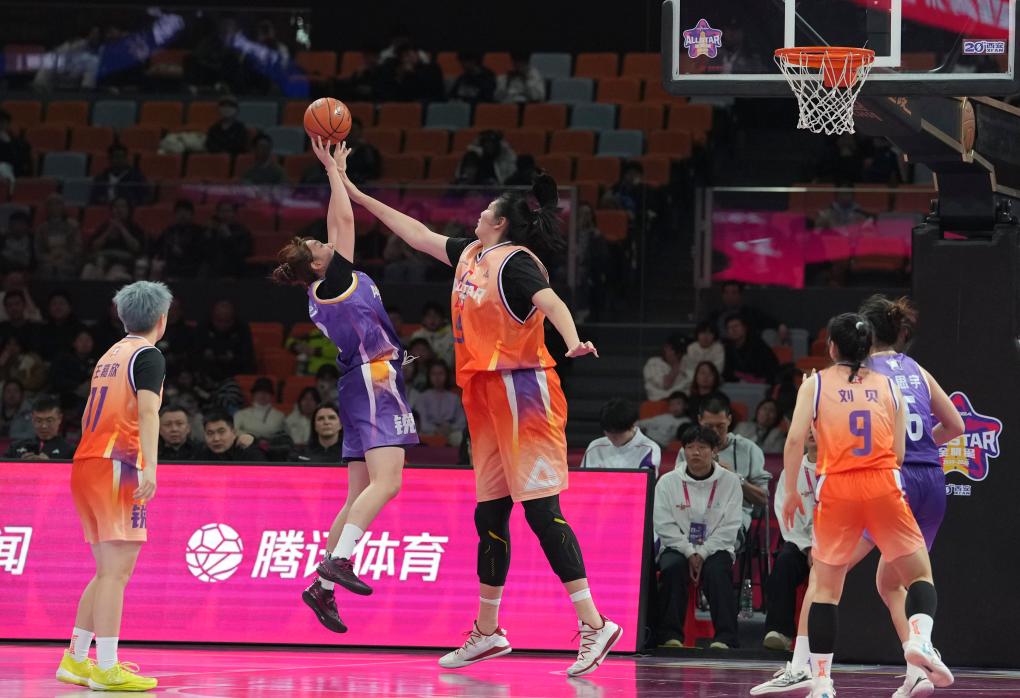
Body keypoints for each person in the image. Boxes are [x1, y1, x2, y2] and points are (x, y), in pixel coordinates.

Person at [341, 164, 620, 677]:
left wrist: (573, 339)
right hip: (485, 395)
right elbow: (417, 234)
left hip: (525, 391)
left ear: (501, 222)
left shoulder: (514, 262)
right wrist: (357, 193)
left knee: (541, 512)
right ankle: (488, 633)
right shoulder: (472, 254)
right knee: (489, 516)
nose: (478, 212)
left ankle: (595, 624)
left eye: (487, 209)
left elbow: (550, 301)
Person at [754, 298, 965, 698]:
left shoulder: (833, 380)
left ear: (836, 345)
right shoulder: (910, 372)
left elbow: (799, 439)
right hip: (921, 479)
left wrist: (795, 487)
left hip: (862, 483)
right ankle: (918, 660)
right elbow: (952, 426)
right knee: (897, 582)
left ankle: (807, 671)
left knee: (823, 581)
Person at [271, 137, 418, 635]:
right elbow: (345, 222)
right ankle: (339, 561)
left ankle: (322, 587)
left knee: (358, 493)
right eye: (319, 246)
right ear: (317, 264)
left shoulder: (328, 282)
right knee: (389, 482)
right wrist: (335, 172)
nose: (327, 242)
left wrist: (333, 170)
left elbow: (338, 226)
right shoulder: (335, 281)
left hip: (358, 383)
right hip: (375, 378)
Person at [58, 281, 171, 691]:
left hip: (87, 463)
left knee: (106, 571)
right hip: (117, 464)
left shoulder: (110, 354)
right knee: (116, 573)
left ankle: (75, 659)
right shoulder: (148, 355)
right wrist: (150, 467)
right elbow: (148, 413)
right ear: (162, 319)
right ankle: (106, 667)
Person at [653, 425, 743, 649]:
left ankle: (726, 638)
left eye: (702, 447)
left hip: (716, 547)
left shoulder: (730, 482)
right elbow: (664, 525)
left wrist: (702, 553)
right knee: (672, 568)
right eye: (690, 447)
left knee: (717, 571)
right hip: (677, 546)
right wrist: (688, 551)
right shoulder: (667, 482)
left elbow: (730, 526)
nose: (695, 452)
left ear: (714, 451)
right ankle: (669, 636)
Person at [675, 397, 771, 536]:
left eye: (720, 426)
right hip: (694, 515)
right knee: (678, 535)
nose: (715, 432)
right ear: (700, 420)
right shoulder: (688, 451)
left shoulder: (749, 449)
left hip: (732, 517)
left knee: (712, 539)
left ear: (729, 420)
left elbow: (763, 499)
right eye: (709, 426)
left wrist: (736, 479)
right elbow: (676, 492)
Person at [760, 432, 818, 656]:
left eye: (817, 427)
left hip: (834, 541)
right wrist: (808, 547)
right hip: (801, 542)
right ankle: (780, 632)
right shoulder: (792, 470)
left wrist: (821, 544)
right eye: (808, 428)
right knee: (784, 563)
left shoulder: (840, 467)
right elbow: (786, 515)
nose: (811, 432)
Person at [581, 398, 660, 472]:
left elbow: (646, 481)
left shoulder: (649, 449)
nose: (613, 437)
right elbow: (584, 479)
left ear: (633, 425)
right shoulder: (594, 447)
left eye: (618, 433)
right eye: (608, 432)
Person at [85, 197, 146, 279]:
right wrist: (109, 230)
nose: (119, 209)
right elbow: (94, 247)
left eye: (123, 206)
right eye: (116, 206)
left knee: (112, 274)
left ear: (129, 210)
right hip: (102, 260)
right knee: (88, 269)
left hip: (123, 262)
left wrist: (121, 228)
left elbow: (136, 248)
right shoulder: (104, 226)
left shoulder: (134, 228)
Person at [4, 394, 76, 460]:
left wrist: (50, 464)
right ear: (32, 419)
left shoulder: (71, 451)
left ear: (59, 419)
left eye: (49, 420)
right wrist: (20, 464)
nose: (44, 426)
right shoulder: (16, 447)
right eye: (39, 420)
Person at [197, 300, 255, 382]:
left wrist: (233, 358)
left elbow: (247, 357)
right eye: (219, 321)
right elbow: (195, 352)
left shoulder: (242, 329)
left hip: (234, 374)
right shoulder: (203, 327)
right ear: (212, 318)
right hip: (207, 374)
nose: (222, 325)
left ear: (233, 319)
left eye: (227, 321)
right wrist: (205, 356)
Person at [413, 359, 466, 447]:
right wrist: (436, 429)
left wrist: (451, 428)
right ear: (429, 376)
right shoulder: (422, 397)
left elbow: (461, 421)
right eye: (433, 374)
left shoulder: (454, 398)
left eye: (441, 373)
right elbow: (421, 422)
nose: (437, 377)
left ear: (446, 375)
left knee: (459, 437)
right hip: (429, 432)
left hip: (450, 431)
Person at [50, 328, 99, 414]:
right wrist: (77, 386)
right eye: (81, 340)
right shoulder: (64, 359)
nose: (84, 344)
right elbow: (57, 380)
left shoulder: (99, 359)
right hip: (67, 396)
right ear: (74, 343)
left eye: (88, 340)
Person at [153, 200, 206, 279]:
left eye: (186, 212)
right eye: (179, 212)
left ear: (192, 214)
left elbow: (200, 253)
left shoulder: (199, 231)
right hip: (171, 268)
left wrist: (183, 252)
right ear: (175, 214)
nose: (182, 215)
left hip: (192, 269)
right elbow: (159, 249)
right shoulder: (169, 231)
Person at [34, 194, 84, 278]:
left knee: (63, 269)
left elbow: (77, 248)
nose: (54, 207)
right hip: (48, 262)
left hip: (68, 262)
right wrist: (49, 258)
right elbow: (38, 252)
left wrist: (65, 257)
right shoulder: (41, 229)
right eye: (51, 204)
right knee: (47, 269)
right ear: (47, 208)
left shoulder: (73, 226)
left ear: (63, 207)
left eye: (58, 204)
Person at [204, 200, 253, 277]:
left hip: (235, 268)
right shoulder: (211, 230)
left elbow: (243, 252)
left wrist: (229, 237)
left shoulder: (243, 231)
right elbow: (205, 252)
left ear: (234, 213)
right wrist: (208, 236)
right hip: (213, 269)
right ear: (217, 214)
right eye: (222, 211)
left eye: (228, 211)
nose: (225, 214)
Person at [724, 315, 779, 384]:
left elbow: (771, 368)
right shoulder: (727, 348)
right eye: (729, 328)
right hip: (737, 384)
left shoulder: (758, 345)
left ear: (745, 328)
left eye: (736, 326)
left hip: (760, 384)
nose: (733, 330)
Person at [198, 411, 267, 461]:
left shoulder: (249, 453)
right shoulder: (200, 453)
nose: (216, 439)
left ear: (234, 432)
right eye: (210, 433)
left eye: (221, 432)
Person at [39, 290, 86, 360]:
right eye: (54, 304)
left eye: (62, 303)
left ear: (70, 307)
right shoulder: (42, 330)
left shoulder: (80, 329)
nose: (58, 307)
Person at [643, 333, 688, 401]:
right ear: (666, 347)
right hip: (658, 404)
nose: (678, 354)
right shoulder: (654, 363)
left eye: (681, 351)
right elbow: (666, 385)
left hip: (682, 404)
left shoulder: (686, 365)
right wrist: (675, 364)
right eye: (675, 350)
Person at [410, 301, 455, 367]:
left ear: (443, 319)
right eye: (429, 316)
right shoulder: (417, 336)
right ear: (423, 320)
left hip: (448, 370)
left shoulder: (452, 335)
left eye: (436, 315)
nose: (432, 319)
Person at [0, 109, 33, 178]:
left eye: (2, 122)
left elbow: (20, 164)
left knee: (3, 167)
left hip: (12, 173)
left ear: (7, 124)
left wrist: (7, 143)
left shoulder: (20, 143)